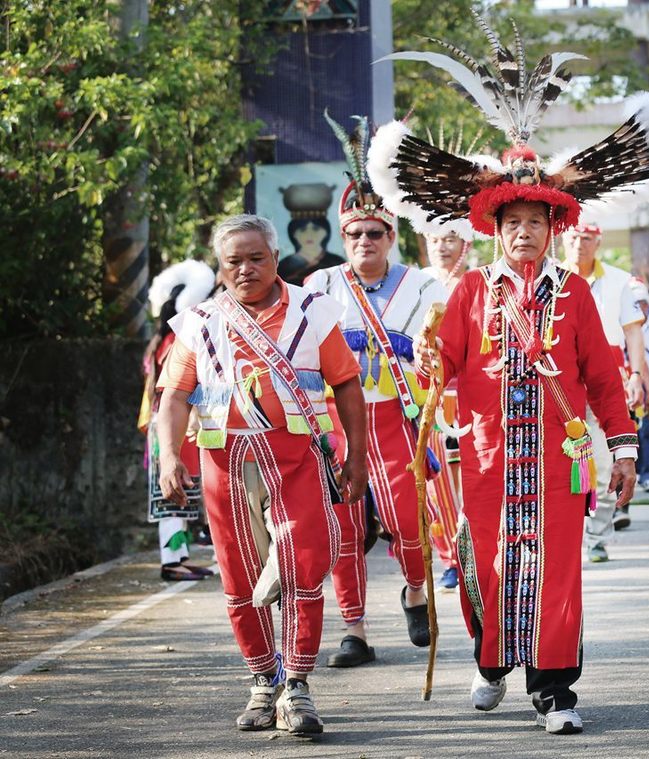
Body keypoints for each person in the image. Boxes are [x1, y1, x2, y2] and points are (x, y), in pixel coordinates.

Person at [370, 10, 649, 733]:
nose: (523, 231)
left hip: (556, 464)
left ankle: (553, 690)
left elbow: (604, 379)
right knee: (483, 572)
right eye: (512, 220)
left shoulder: (572, 295)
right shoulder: (469, 292)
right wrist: (427, 368)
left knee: (557, 578)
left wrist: (626, 446)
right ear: (495, 226)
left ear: (553, 228)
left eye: (535, 221)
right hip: (482, 460)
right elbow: (442, 364)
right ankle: (489, 663)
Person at [155, 213, 367, 735]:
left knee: (303, 560)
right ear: (220, 267)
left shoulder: (313, 313)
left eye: (256, 258)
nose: (246, 269)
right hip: (224, 463)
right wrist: (168, 456)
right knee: (238, 575)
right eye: (234, 261)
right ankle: (261, 680)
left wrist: (357, 455)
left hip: (296, 458)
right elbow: (175, 396)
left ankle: (297, 684)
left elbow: (346, 386)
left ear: (276, 259)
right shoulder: (199, 322)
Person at [304, 112, 448, 666]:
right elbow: (304, 352)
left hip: (394, 415)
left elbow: (438, 348)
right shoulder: (320, 285)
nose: (365, 241)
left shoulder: (422, 284)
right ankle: (355, 629)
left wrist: (409, 347)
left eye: (376, 233)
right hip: (337, 420)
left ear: (392, 236)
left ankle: (415, 588)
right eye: (356, 234)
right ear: (344, 238)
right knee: (342, 524)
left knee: (406, 519)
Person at [562, 221, 649, 562]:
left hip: (606, 381)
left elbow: (634, 334)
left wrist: (637, 375)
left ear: (598, 241)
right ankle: (566, 538)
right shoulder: (552, 276)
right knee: (564, 463)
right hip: (563, 383)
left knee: (607, 460)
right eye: (573, 237)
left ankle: (596, 537)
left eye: (586, 238)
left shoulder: (618, 280)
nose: (579, 244)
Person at [139, 260, 218, 581]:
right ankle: (171, 562)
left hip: (177, 419)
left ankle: (179, 556)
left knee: (182, 492)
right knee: (173, 491)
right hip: (174, 421)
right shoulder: (177, 339)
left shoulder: (164, 338)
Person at [422, 228, 473, 588]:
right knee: (436, 480)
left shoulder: (477, 282)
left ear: (466, 244)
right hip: (429, 394)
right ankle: (449, 556)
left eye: (451, 239)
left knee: (469, 477)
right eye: (436, 239)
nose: (443, 246)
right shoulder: (416, 283)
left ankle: (473, 550)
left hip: (469, 391)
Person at [630, 278, 649, 492]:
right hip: (629, 384)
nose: (638, 307)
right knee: (631, 432)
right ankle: (634, 472)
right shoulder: (625, 326)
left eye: (641, 302)